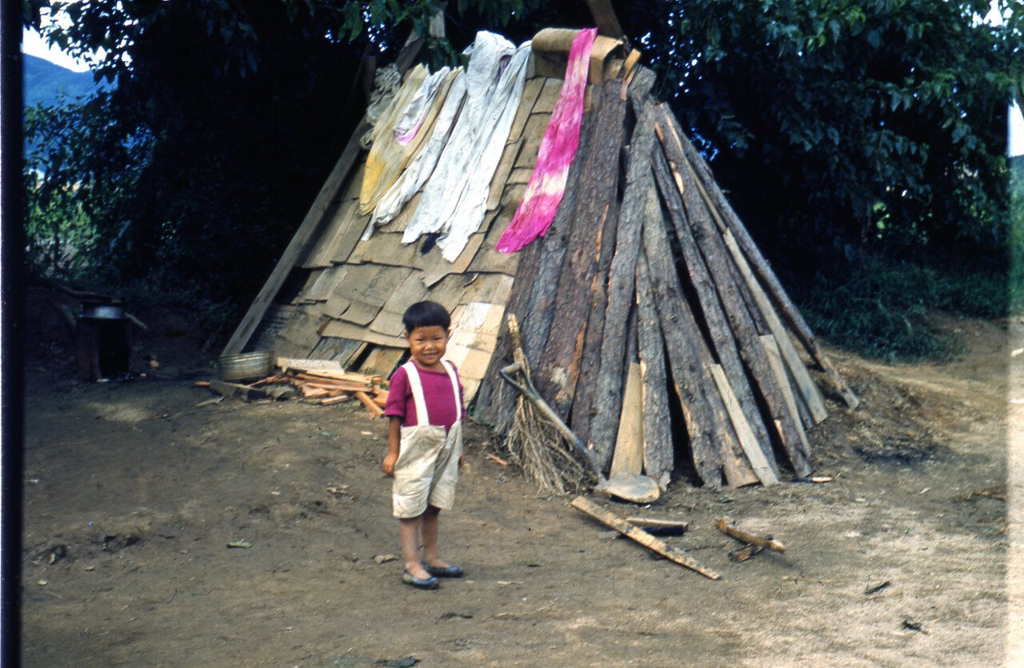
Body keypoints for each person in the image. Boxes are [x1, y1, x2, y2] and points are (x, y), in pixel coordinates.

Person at [381, 301, 466, 589]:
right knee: (411, 507)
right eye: (421, 340)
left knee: (434, 505)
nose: (429, 346)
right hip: (415, 451)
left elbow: (459, 411)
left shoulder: (451, 370)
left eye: (436, 338)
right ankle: (411, 564)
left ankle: (431, 557)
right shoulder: (405, 375)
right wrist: (393, 453)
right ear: (408, 338)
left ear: (448, 335)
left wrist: (459, 451)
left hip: (447, 447)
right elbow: (394, 415)